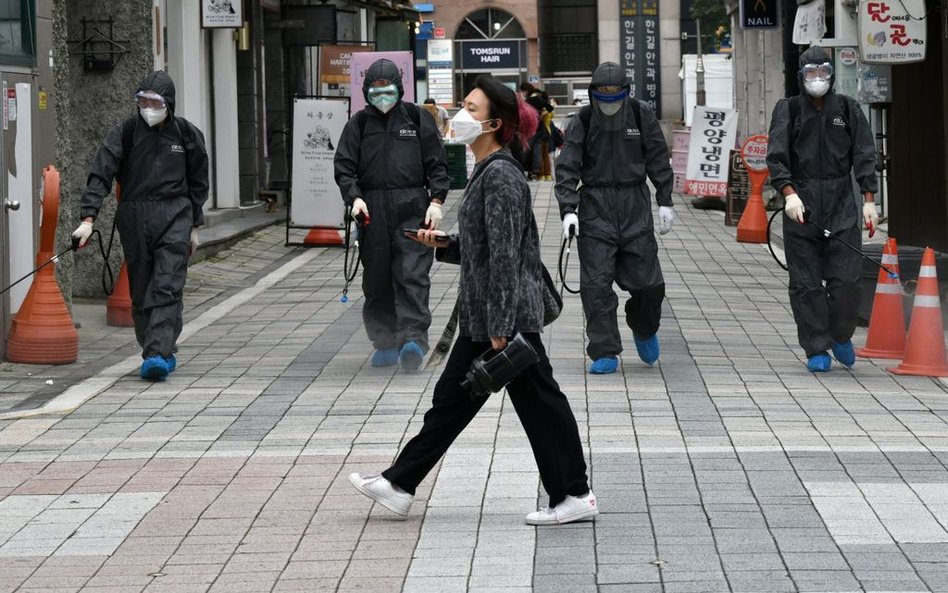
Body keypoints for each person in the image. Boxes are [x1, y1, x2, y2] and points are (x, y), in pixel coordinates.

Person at [349, 75, 597, 526]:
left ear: (492, 124)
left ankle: (575, 494)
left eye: (472, 108)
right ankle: (400, 484)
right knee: (455, 399)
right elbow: (485, 246)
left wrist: (501, 328)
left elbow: (505, 255)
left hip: (504, 318)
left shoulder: (500, 175)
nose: (460, 115)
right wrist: (442, 244)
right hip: (489, 314)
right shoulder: (489, 171)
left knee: (540, 404)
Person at [71, 71, 209, 382]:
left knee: (166, 284)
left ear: (168, 104)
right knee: (142, 288)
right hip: (134, 216)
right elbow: (101, 173)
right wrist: (88, 218)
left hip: (176, 213)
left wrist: (194, 223)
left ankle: (156, 354)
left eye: (154, 101)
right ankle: (159, 347)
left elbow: (199, 181)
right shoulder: (126, 132)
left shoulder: (187, 135)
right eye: (142, 100)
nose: (147, 107)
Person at [554, 62, 674, 375]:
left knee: (650, 285)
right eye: (602, 94)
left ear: (625, 92)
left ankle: (643, 325)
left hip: (634, 204)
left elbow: (658, 155)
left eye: (614, 94)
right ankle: (604, 349)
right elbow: (567, 165)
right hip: (595, 207)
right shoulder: (584, 118)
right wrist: (568, 209)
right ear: (593, 93)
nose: (608, 100)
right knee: (595, 286)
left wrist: (665, 199)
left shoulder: (639, 113)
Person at [766, 45, 878, 372]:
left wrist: (869, 200)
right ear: (801, 77)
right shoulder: (788, 110)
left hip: (841, 203)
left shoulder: (848, 108)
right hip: (801, 206)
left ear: (831, 75)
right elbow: (776, 156)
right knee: (806, 284)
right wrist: (788, 193)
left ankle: (841, 334)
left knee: (847, 281)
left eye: (824, 73)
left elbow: (864, 154)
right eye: (811, 73)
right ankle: (816, 346)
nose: (818, 79)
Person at [334, 59, 450, 371]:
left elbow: (437, 163)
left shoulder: (416, 118)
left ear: (399, 89)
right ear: (366, 92)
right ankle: (383, 340)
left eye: (387, 91)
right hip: (372, 209)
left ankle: (412, 339)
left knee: (412, 274)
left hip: (412, 205)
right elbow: (344, 167)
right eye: (376, 91)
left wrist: (436, 200)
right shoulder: (357, 125)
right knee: (377, 277)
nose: (382, 97)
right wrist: (354, 198)